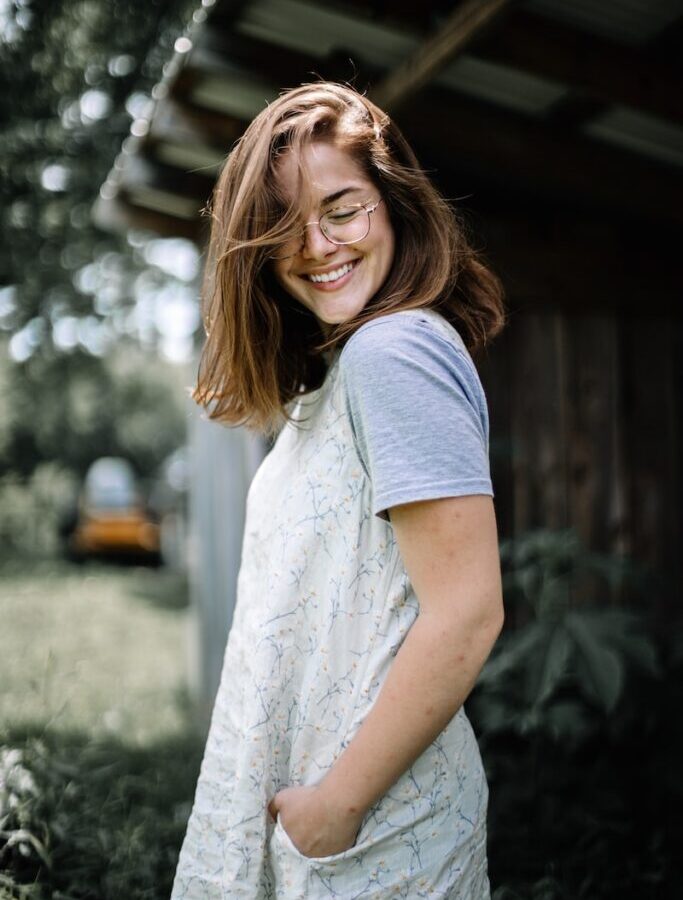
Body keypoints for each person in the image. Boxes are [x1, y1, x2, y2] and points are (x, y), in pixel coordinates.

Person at [171, 81, 507, 899]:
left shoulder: (391, 355)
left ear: (392, 204)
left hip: (372, 841)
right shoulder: (348, 371)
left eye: (342, 209)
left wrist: (337, 806)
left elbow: (467, 611)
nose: (316, 245)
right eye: (285, 227)